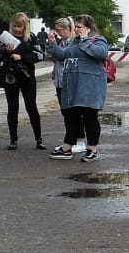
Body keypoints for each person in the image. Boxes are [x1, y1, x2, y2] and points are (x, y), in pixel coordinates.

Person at [45, 13, 108, 162]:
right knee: (71, 117)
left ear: (88, 27)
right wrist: (52, 43)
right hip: (72, 86)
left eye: (80, 27)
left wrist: (86, 41)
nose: (77, 30)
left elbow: (101, 53)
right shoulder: (74, 42)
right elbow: (63, 55)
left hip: (90, 88)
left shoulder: (98, 40)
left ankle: (92, 149)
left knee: (90, 118)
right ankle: (67, 147)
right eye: (77, 27)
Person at [1, 12, 44, 150]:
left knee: (31, 107)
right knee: (12, 108)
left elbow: (39, 55)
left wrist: (22, 57)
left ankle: (38, 138)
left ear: (25, 26)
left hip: (27, 76)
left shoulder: (31, 38)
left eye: (19, 26)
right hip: (11, 76)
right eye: (14, 26)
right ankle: (13, 139)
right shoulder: (6, 37)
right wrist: (7, 52)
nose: (17, 29)